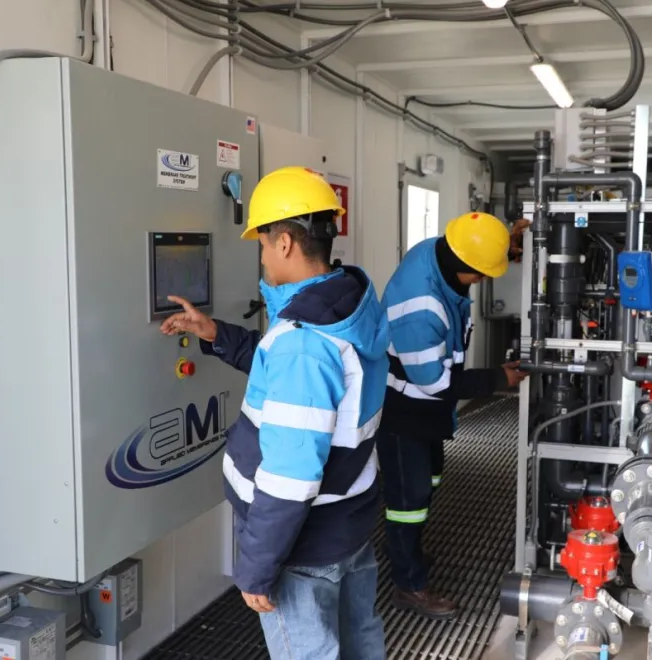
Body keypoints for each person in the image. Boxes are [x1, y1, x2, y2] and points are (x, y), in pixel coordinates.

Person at [160, 166, 389, 660]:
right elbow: (299, 379)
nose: (261, 255)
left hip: (303, 546)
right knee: (361, 642)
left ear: (284, 243)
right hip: (346, 525)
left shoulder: (301, 343)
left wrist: (258, 567)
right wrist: (216, 334)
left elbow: (290, 477)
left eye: (262, 243)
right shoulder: (349, 307)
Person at [377, 211, 530, 619]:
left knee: (427, 483)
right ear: (467, 268)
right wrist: (499, 378)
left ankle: (409, 550)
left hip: (426, 409)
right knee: (407, 501)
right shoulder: (422, 307)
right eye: (481, 274)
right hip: (405, 407)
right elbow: (434, 383)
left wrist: (504, 244)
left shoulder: (437, 250)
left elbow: (472, 244)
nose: (482, 282)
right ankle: (408, 586)